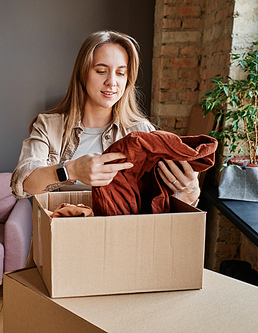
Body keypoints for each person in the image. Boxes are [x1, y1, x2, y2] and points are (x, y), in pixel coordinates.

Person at [11, 30, 200, 206]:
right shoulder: (48, 125)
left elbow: (165, 204)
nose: (111, 82)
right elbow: (23, 183)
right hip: (64, 236)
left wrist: (190, 192)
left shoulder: (142, 132)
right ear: (82, 73)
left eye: (120, 73)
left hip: (124, 238)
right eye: (101, 71)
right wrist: (72, 170)